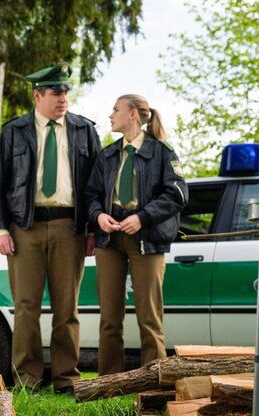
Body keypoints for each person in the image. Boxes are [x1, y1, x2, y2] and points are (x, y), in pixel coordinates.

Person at [0, 62, 101, 394]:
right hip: (25, 227)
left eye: (66, 92)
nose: (63, 98)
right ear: (37, 96)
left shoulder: (85, 130)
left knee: (67, 308)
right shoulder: (14, 131)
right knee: (26, 308)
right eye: (56, 92)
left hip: (70, 227)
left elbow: (96, 186)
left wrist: (93, 229)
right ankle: (27, 379)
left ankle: (67, 379)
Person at [85, 94, 188, 375]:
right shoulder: (107, 155)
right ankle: (108, 382)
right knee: (109, 318)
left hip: (148, 239)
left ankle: (155, 382)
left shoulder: (162, 152)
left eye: (115, 109)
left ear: (132, 114)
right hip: (109, 239)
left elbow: (177, 194)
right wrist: (98, 216)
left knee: (149, 317)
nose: (110, 115)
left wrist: (142, 218)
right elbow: (91, 195)